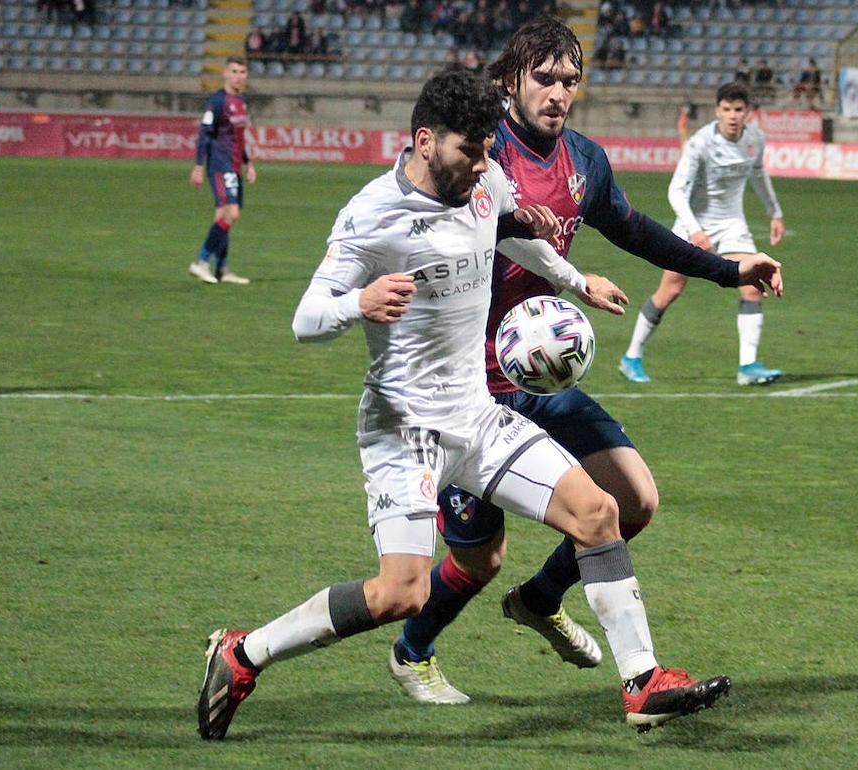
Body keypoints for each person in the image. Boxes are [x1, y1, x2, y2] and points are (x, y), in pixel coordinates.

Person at [196, 68, 735, 740]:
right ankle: (244, 653)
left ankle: (642, 683)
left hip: (478, 417)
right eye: (468, 151)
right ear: (424, 141)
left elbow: (508, 231)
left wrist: (573, 279)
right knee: (402, 594)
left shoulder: (484, 177)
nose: (484, 164)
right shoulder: (372, 215)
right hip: (403, 431)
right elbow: (306, 318)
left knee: (598, 512)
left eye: (487, 149)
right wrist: (356, 303)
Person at [384, 17, 783, 707]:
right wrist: (572, 277)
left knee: (632, 502)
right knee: (479, 559)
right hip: (464, 388)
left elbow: (634, 232)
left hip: (537, 375)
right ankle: (412, 650)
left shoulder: (585, 162)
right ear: (510, 79)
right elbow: (479, 230)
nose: (559, 92)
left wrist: (727, 270)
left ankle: (544, 604)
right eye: (545, 77)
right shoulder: (479, 152)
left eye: (570, 80)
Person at [621, 81, 785, 386]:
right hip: (692, 224)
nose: (733, 116)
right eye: (727, 109)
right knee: (670, 291)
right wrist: (695, 229)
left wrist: (775, 212)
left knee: (751, 286)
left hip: (733, 225)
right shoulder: (700, 143)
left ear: (748, 112)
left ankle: (747, 367)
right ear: (717, 111)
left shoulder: (755, 139)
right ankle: (631, 356)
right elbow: (676, 191)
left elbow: (759, 175)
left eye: (739, 109)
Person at [189, 57, 255, 285]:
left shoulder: (241, 101)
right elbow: (205, 135)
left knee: (222, 217)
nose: (239, 75)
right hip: (220, 164)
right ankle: (201, 262)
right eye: (234, 71)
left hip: (234, 166)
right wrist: (198, 166)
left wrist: (248, 163)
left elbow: (238, 137)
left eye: (242, 71)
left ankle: (222, 269)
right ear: (225, 74)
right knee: (232, 214)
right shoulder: (217, 101)